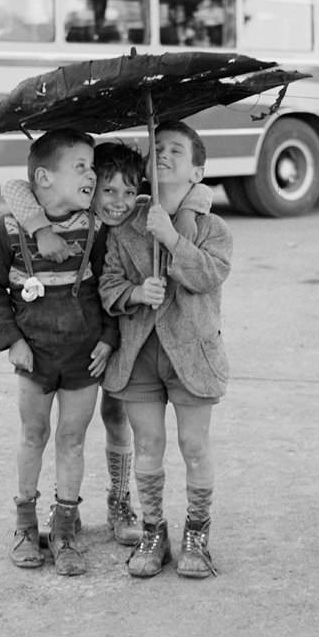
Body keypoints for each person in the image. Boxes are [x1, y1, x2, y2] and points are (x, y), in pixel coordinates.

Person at [1, 140, 214, 548]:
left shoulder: (140, 212)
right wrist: (41, 229)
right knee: (64, 430)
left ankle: (120, 503)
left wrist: (188, 209)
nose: (117, 202)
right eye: (106, 190)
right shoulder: (77, 215)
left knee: (117, 418)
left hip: (122, 337)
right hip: (77, 339)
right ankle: (65, 509)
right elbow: (14, 186)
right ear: (91, 184)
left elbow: (199, 188)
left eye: (127, 192)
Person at [99, 121, 232, 580]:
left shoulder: (212, 227)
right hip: (139, 354)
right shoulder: (126, 227)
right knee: (149, 444)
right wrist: (136, 294)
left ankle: (198, 533)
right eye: (157, 147)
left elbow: (210, 275)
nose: (163, 154)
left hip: (192, 355)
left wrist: (172, 238)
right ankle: (154, 529)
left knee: (193, 444)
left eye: (176, 150)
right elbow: (108, 283)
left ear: (197, 173)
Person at [0, 129, 118, 577]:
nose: (91, 175)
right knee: (32, 435)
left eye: (92, 166)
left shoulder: (95, 228)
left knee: (73, 439)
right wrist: (12, 341)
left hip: (83, 357)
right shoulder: (7, 229)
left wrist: (109, 338)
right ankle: (25, 524)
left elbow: (109, 286)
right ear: (44, 178)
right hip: (33, 358)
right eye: (80, 166)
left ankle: (64, 529)